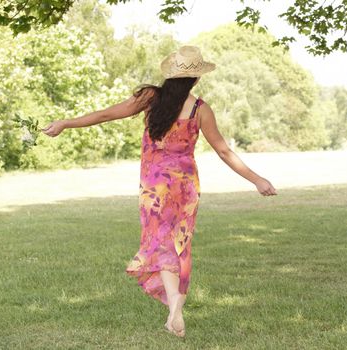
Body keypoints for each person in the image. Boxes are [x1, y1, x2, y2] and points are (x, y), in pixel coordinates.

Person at [41, 45, 277, 338]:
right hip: (185, 187)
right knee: (179, 244)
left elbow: (106, 116)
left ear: (170, 75)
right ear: (196, 78)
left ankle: (174, 306)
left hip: (154, 186)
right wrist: (257, 180)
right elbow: (224, 151)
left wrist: (66, 123)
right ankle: (175, 306)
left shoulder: (150, 97)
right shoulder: (200, 109)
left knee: (159, 241)